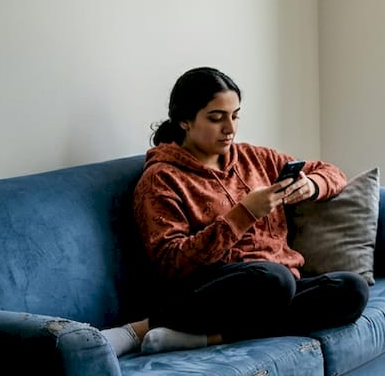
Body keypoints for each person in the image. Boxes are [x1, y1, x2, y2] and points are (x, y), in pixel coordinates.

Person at [100, 67, 369, 356]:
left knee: (351, 289)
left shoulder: (254, 158)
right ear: (184, 121)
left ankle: (210, 337)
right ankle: (143, 328)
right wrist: (243, 215)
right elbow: (170, 263)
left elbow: (330, 171)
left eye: (235, 115)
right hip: (216, 289)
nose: (230, 128)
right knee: (273, 279)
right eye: (216, 118)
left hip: (281, 287)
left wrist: (312, 185)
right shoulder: (161, 179)